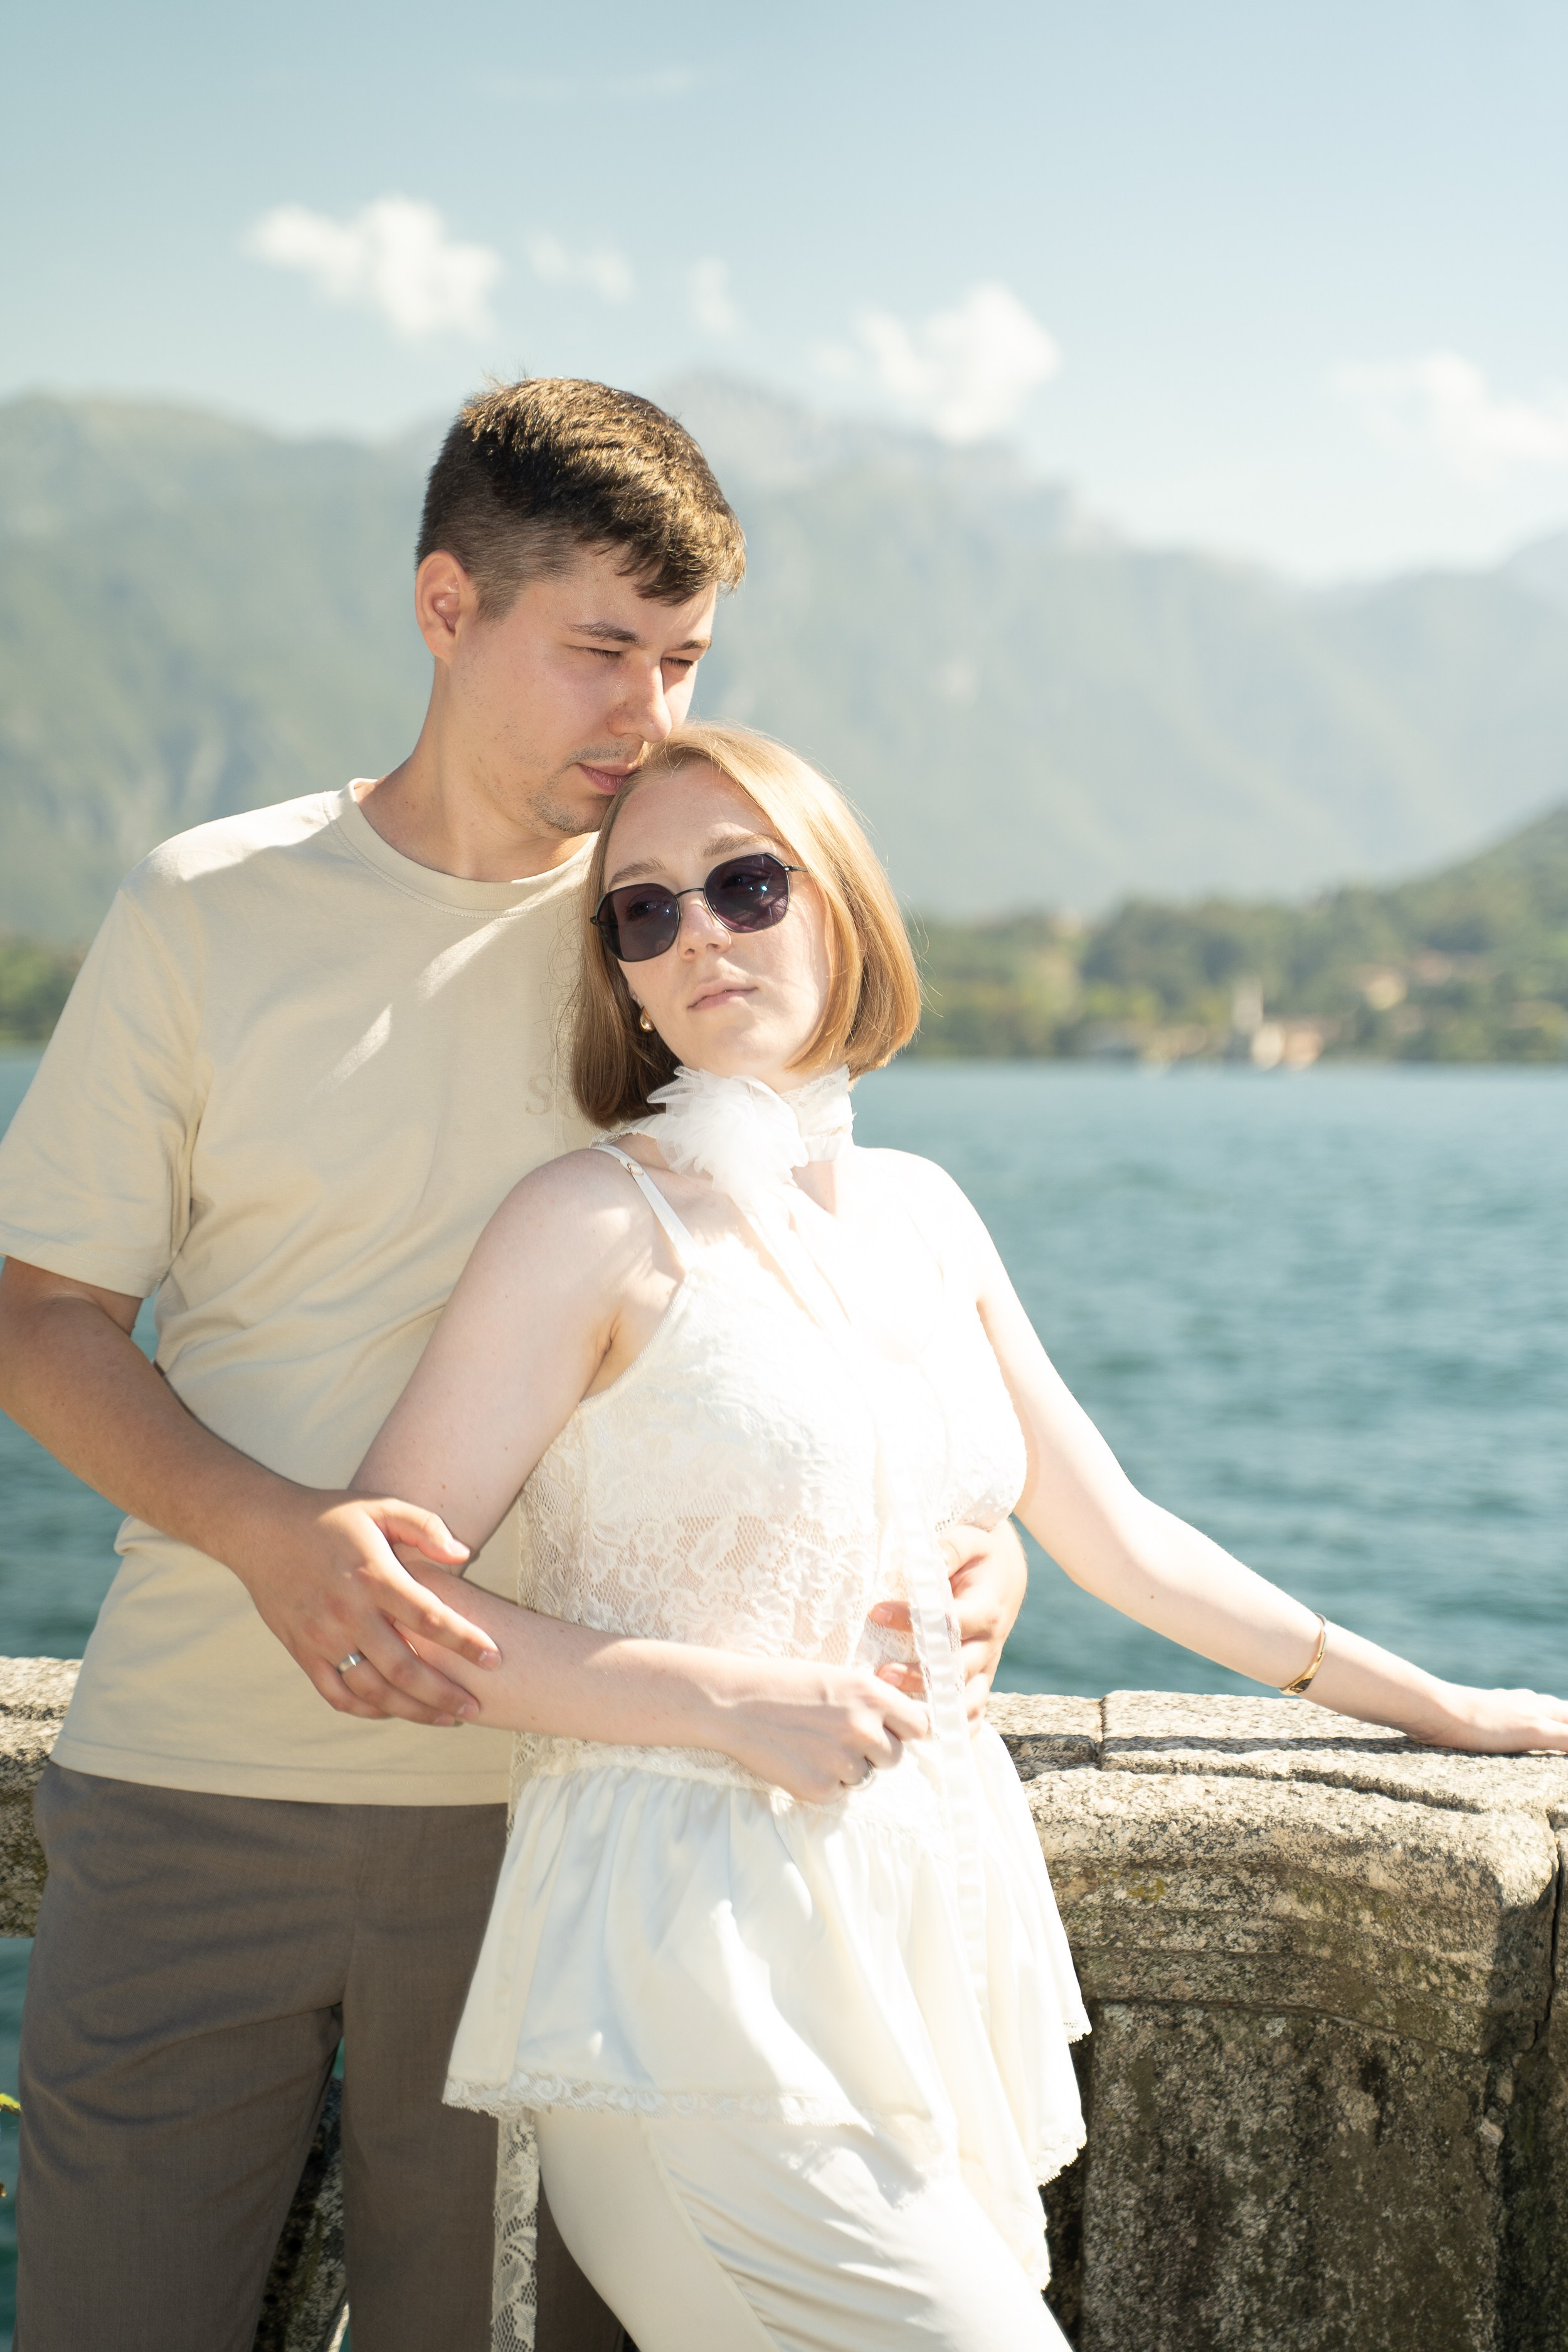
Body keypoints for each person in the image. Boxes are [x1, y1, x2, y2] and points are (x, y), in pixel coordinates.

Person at [0, 383, 1029, 2352]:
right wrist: (281, 1533)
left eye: (684, 658)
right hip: (186, 1789)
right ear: (445, 605)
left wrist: (976, 1551)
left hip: (537, 1827)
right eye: (600, 650)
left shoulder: (665, 929)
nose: (644, 710)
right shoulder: (211, 907)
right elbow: (38, 1314)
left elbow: (843, 1318)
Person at [356, 719, 1568, 2352]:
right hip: (682, 1973)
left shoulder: (924, 1213)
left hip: (920, 1938)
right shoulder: (583, 1224)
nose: (697, 931)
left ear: (840, 905)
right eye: (641, 912)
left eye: (743, 882)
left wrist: (1437, 1708)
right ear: (621, 979)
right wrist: (719, 1701)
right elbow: (387, 1611)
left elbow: (1120, 1540)